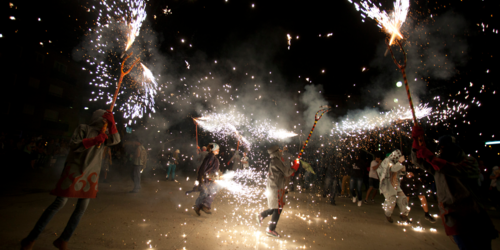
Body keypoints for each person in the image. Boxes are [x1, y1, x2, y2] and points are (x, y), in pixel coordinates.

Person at [20, 109, 120, 250]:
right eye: (104, 119)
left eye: (106, 119)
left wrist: (112, 125)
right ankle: (31, 238)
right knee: (59, 203)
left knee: (81, 209)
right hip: (75, 170)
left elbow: (116, 140)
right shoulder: (83, 128)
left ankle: (63, 239)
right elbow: (74, 144)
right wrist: (93, 140)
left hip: (91, 174)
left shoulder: (106, 134)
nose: (104, 122)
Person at [412, 126, 498, 249]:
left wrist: (431, 158)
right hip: (453, 217)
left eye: (446, 148)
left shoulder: (469, 161)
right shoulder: (437, 163)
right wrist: (416, 142)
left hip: (474, 216)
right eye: (442, 149)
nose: (443, 151)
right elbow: (417, 160)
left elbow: (453, 169)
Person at [256, 145, 298, 237]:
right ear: (276, 152)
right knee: (278, 208)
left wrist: (293, 166)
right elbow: (287, 172)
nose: (281, 151)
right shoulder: (276, 161)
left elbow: (284, 171)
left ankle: (262, 215)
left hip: (276, 186)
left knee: (276, 207)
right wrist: (295, 166)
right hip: (275, 187)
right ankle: (271, 229)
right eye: (279, 150)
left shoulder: (276, 160)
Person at [377, 149, 409, 223]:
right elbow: (393, 169)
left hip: (395, 183)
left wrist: (403, 168)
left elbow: (400, 173)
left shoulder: (395, 162)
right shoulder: (387, 161)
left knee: (403, 198)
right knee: (392, 200)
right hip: (387, 184)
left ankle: (404, 214)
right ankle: (388, 214)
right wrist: (400, 162)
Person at [194, 143, 221, 215]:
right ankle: (205, 205)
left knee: (204, 192)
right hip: (208, 178)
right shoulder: (211, 157)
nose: (218, 150)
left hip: (207, 178)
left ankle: (197, 206)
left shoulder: (210, 157)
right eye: (217, 149)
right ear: (214, 149)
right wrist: (211, 177)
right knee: (212, 191)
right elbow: (206, 169)